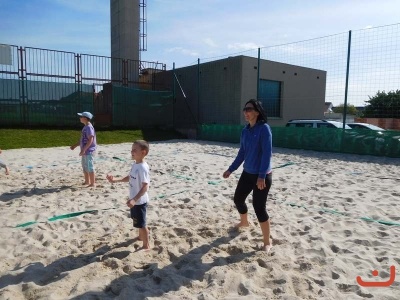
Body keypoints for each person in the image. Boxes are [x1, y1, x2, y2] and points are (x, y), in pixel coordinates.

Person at [223, 99, 273, 253]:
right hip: (247, 173)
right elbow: (242, 153)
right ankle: (244, 222)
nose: (246, 112)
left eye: (249, 109)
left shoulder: (264, 129)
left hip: (262, 176)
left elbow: (267, 154)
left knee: (259, 208)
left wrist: (261, 176)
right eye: (245, 109)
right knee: (238, 199)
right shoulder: (245, 131)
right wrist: (231, 169)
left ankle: (267, 241)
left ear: (257, 112)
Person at [106, 140, 151, 250]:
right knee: (137, 221)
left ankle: (146, 245)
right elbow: (130, 177)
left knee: (142, 224)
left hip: (140, 201)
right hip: (134, 200)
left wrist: (135, 200)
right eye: (131, 149)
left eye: (135, 150)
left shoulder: (143, 168)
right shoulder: (135, 164)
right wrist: (115, 180)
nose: (132, 152)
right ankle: (140, 237)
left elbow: (145, 186)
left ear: (143, 152)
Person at [70, 111, 97, 187]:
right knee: (85, 166)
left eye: (81, 117)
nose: (80, 118)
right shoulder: (85, 127)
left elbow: (90, 139)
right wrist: (75, 145)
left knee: (89, 166)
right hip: (85, 151)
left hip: (89, 151)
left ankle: (92, 183)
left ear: (85, 118)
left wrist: (84, 149)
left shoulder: (89, 127)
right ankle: (87, 181)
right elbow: (83, 140)